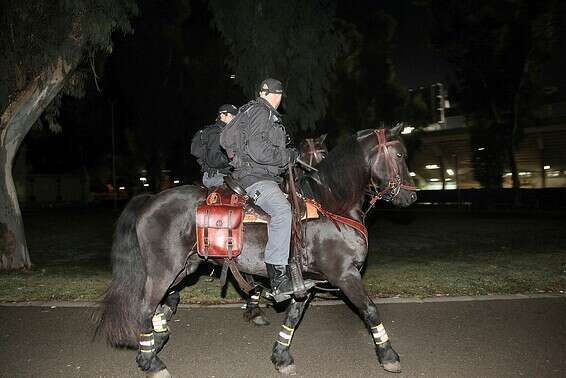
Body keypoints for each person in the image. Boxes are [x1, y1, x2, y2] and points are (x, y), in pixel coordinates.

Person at [227, 78, 307, 302]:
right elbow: (257, 150)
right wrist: (286, 155)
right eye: (281, 95)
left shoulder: (252, 111)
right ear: (277, 95)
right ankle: (278, 279)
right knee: (283, 212)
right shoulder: (262, 113)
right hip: (255, 179)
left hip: (257, 175)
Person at [191, 104, 237, 188]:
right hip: (215, 176)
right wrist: (235, 161)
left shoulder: (223, 131)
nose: (235, 120)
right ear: (223, 115)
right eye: (232, 116)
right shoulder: (216, 132)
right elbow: (214, 160)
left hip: (221, 175)